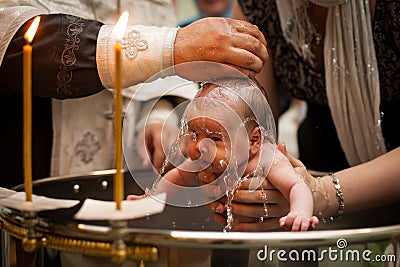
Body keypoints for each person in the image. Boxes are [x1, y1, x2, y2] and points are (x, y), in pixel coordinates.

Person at [0, 0, 268, 189]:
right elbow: (16, 45)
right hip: (32, 164)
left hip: (133, 167)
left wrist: (161, 112)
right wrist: (173, 47)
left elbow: (159, 75)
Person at [197, 0, 400, 231]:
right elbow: (244, 123)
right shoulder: (258, 6)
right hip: (318, 168)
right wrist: (226, 173)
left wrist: (322, 194)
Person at [129, 78, 319, 231]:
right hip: (229, 233)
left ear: (253, 141)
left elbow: (296, 186)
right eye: (194, 134)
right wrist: (152, 198)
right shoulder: (202, 160)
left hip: (271, 238)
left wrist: (300, 213)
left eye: (215, 138)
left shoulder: (267, 159)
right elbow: (178, 176)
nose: (201, 146)